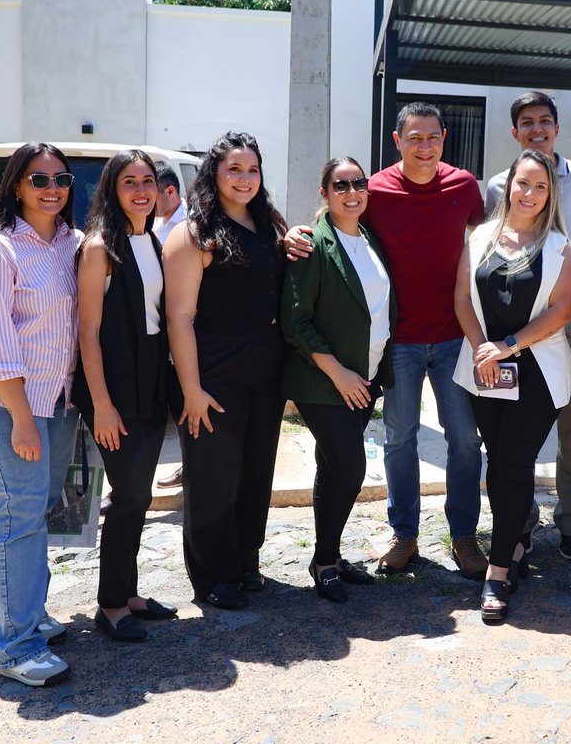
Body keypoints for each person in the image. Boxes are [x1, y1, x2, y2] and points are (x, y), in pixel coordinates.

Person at [284, 102, 487, 579]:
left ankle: (464, 536)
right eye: (414, 137)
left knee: (464, 441)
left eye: (432, 136)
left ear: (444, 137)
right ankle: (405, 534)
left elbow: (485, 244)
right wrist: (291, 235)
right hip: (399, 344)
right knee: (400, 441)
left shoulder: (464, 186)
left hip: (455, 336)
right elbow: (336, 224)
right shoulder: (375, 189)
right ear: (397, 141)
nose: (424, 145)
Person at [0, 143, 80, 686]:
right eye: (38, 179)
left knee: (46, 508)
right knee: (17, 514)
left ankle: (31, 614)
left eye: (61, 178)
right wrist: (23, 418)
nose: (51, 188)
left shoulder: (73, 244)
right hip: (3, 404)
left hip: (57, 401)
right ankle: (17, 646)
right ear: (15, 186)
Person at [163, 132, 288, 611]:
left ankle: (245, 560)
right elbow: (180, 317)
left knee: (255, 472)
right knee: (214, 476)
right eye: (234, 169)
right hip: (213, 373)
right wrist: (190, 388)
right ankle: (213, 576)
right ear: (213, 175)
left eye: (252, 170)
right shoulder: (192, 234)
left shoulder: (270, 226)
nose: (244, 178)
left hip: (267, 372)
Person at [455, 149, 571, 621]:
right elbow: (461, 296)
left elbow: (561, 310)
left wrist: (506, 345)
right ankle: (515, 543)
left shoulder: (559, 247)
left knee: (513, 463)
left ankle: (498, 569)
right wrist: (482, 347)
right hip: (484, 370)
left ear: (551, 195)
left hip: (538, 374)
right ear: (508, 186)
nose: (530, 193)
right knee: (498, 462)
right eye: (522, 183)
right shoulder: (480, 237)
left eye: (540, 186)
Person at [484, 91, 571, 561]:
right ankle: (523, 521)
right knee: (523, 431)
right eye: (528, 123)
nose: (537, 129)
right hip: (524, 329)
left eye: (545, 121)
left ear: (557, 128)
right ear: (515, 133)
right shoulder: (499, 186)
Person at [282, 157, 395, 603]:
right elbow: (295, 321)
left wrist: (364, 374)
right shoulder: (312, 244)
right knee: (350, 468)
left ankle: (327, 556)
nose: (352, 192)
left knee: (332, 466)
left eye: (358, 184)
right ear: (324, 193)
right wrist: (339, 372)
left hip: (364, 378)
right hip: (325, 380)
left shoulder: (370, 238)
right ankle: (325, 561)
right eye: (341, 185)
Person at [75, 149, 177, 641]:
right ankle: (111, 604)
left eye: (149, 182)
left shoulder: (152, 240)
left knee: (140, 496)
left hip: (151, 382)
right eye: (129, 182)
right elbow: (88, 331)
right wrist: (102, 404)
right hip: (116, 388)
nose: (141, 190)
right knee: (129, 495)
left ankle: (129, 592)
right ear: (113, 190)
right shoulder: (100, 247)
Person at [153, 160, 188, 492]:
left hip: (183, 329)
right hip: (158, 329)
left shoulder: (187, 226)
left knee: (184, 403)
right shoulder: (155, 225)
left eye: (153, 190)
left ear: (170, 191)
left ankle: (190, 467)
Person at [152, 161, 188, 244]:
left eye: (152, 197)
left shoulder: (191, 223)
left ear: (170, 192)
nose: (148, 203)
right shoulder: (152, 220)